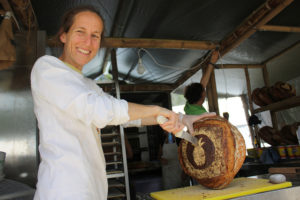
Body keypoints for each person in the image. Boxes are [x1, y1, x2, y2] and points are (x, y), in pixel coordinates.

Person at [30, 6, 187, 200]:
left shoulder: (88, 85)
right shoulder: (47, 68)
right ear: (63, 35)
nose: (88, 42)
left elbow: (125, 118)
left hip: (93, 191)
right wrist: (156, 108)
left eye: (95, 35)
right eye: (80, 32)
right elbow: (101, 110)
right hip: (63, 191)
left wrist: (181, 118)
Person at [184, 50, 219, 116]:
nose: (205, 91)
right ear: (202, 96)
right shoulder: (202, 115)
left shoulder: (189, 105)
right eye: (204, 91)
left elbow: (203, 84)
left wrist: (211, 63)